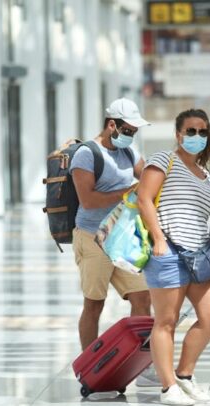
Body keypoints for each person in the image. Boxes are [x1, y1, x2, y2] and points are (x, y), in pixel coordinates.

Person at [136, 109, 210, 406]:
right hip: (169, 250)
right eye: (190, 131)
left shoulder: (204, 172)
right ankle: (168, 387)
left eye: (202, 132)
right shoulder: (163, 159)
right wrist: (159, 238)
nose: (196, 137)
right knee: (166, 321)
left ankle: (184, 375)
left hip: (199, 253)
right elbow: (144, 198)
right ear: (178, 134)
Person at [69, 97, 158, 386]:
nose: (132, 135)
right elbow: (88, 200)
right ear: (111, 125)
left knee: (142, 297)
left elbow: (146, 180)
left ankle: (144, 365)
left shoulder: (130, 152)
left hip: (123, 239)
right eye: (128, 129)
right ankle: (90, 368)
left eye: (135, 130)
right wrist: (126, 192)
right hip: (92, 238)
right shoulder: (86, 154)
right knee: (94, 303)